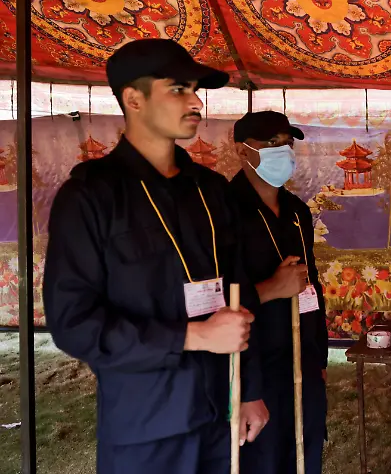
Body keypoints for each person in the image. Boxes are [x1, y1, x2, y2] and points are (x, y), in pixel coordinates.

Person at [43, 39, 269, 474]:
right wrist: (194, 337)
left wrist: (249, 389)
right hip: (146, 426)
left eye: (195, 90)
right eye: (179, 89)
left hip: (222, 417)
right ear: (134, 99)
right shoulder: (91, 196)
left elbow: (240, 295)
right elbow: (74, 324)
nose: (196, 101)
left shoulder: (210, 190)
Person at [228, 111, 328, 474]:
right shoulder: (224, 211)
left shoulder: (297, 211)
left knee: (305, 450)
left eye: (286, 143)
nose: (282, 151)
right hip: (254, 360)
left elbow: (312, 285)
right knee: (264, 459)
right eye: (271, 143)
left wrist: (318, 357)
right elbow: (220, 298)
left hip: (301, 354)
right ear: (242, 150)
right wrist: (272, 289)